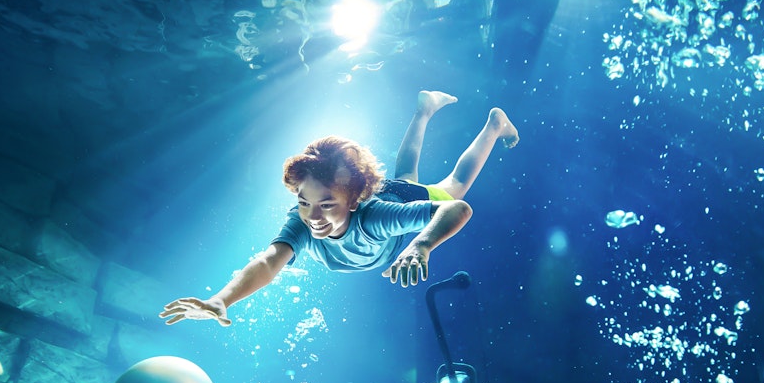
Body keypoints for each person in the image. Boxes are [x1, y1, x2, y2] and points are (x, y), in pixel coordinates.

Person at [160, 90, 518, 327]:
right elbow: (269, 261)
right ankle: (423, 110)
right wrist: (222, 299)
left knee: (454, 183)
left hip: (396, 197)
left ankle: (494, 125)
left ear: (355, 200)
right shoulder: (301, 221)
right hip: (388, 193)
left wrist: (421, 244)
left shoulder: (375, 218)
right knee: (405, 175)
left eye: (327, 205)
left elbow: (458, 208)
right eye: (303, 202)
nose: (313, 218)